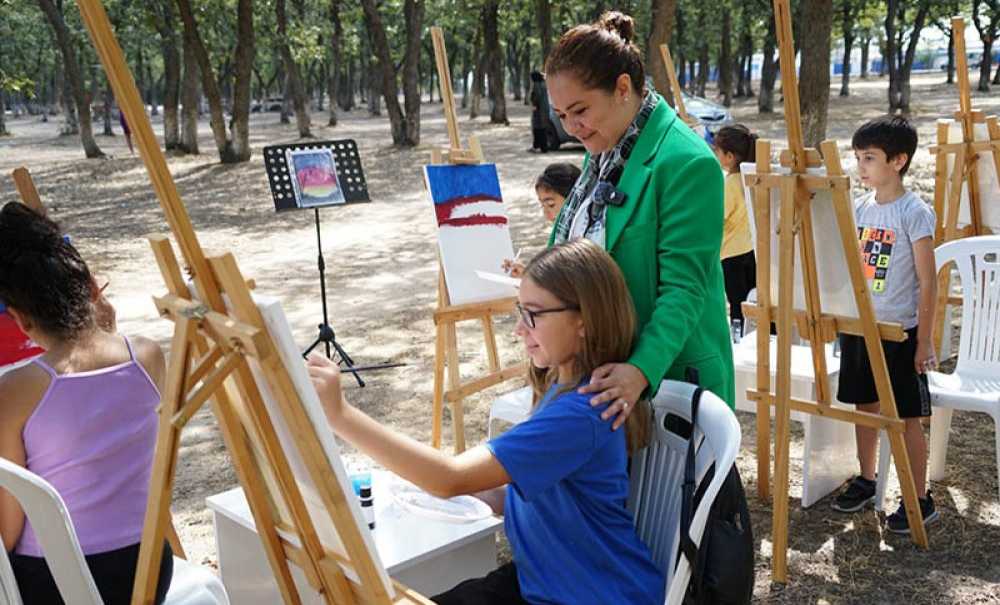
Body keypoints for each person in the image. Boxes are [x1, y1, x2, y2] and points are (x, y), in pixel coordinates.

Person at [309, 239, 665, 605]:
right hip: (545, 581)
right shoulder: (564, 384)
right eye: (519, 311)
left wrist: (341, 415)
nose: (519, 330)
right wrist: (456, 491)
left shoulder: (580, 413)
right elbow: (526, 491)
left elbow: (450, 477)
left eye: (533, 314)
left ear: (584, 321)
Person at [544, 11, 735, 424]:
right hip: (604, 379)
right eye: (560, 115)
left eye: (579, 110)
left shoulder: (687, 162)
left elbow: (684, 290)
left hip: (669, 383)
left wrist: (639, 371)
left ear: (622, 88)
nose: (571, 128)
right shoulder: (604, 145)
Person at [0, 202, 172, 604]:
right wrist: (108, 329)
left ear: (22, 321)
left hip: (60, 579)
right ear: (93, 290)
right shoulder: (149, 356)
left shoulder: (17, 390)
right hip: (146, 567)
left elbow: (9, 529)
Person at [829, 116, 939, 534]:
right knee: (865, 407)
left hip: (901, 332)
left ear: (898, 161)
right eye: (858, 157)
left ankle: (919, 496)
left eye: (869, 158)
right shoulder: (860, 207)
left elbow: (929, 281)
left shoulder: (915, 212)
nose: (861, 166)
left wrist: (923, 341)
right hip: (862, 328)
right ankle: (867, 478)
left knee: (907, 416)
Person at [713, 124, 758, 333]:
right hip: (751, 249)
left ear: (729, 156)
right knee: (753, 302)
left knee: (738, 307)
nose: (715, 154)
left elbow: (717, 217)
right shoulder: (750, 178)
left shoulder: (730, 184)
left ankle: (739, 341)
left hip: (731, 254)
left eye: (717, 151)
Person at [502, 163, 582, 277]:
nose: (547, 216)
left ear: (574, 201)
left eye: (551, 205)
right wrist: (527, 276)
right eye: (542, 205)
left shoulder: (586, 240)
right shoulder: (561, 236)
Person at [528, 71, 552, 153]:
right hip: (545, 110)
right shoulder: (544, 84)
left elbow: (536, 97)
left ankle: (536, 146)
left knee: (537, 129)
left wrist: (534, 105)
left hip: (538, 111)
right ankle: (543, 147)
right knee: (543, 129)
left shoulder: (536, 85)